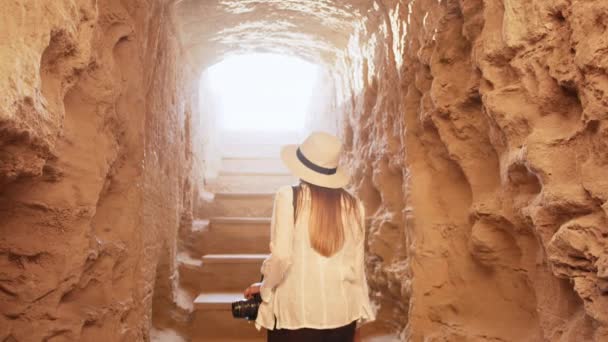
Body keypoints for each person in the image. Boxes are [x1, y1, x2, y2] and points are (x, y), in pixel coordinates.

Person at [243, 131, 375, 342]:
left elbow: (282, 257)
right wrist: (358, 319)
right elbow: (357, 270)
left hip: (296, 318)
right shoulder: (354, 206)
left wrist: (265, 289)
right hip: (342, 318)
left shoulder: (288, 196)